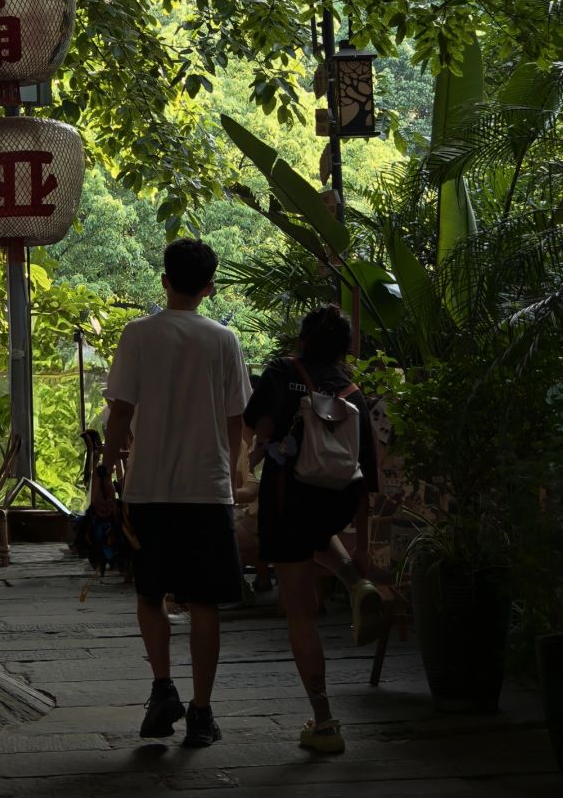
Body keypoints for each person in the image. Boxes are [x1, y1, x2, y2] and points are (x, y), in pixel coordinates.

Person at [103, 238, 251, 748]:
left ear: (163, 281)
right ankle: (203, 713)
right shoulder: (224, 340)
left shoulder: (138, 334)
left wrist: (105, 471)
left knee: (150, 593)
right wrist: (229, 473)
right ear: (210, 288)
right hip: (207, 492)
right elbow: (236, 420)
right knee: (204, 602)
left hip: (149, 490)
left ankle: (162, 687)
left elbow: (120, 412)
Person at [244, 304, 381, 755]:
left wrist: (255, 456)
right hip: (336, 502)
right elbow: (367, 477)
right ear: (344, 350)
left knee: (300, 612)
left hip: (289, 499)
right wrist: (363, 548)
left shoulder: (283, 371)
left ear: (302, 338)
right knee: (320, 537)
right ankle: (355, 580)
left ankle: (323, 721)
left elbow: (259, 432)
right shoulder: (353, 392)